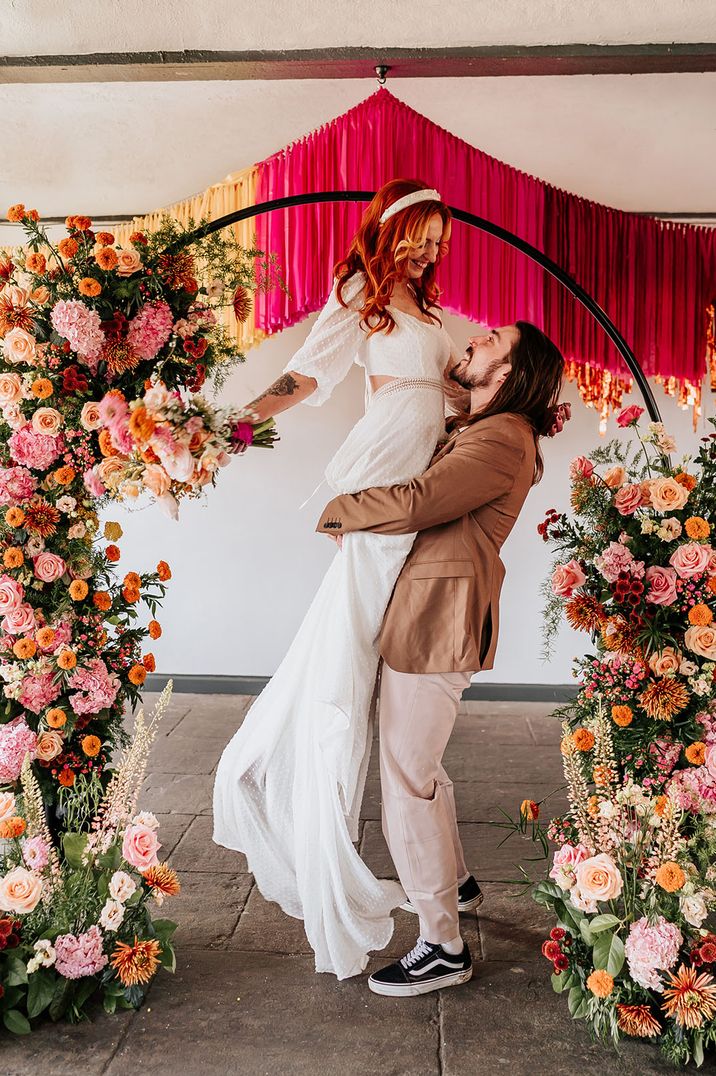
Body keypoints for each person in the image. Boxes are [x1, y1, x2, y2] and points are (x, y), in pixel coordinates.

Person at [214, 179, 463, 980]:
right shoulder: (361, 293)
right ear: (389, 230)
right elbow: (308, 376)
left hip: (416, 482)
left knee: (388, 664)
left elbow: (445, 392)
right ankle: (290, 801)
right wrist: (239, 423)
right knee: (354, 662)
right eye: (420, 237)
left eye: (439, 240)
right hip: (381, 477)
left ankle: (439, 862)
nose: (431, 251)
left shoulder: (426, 313)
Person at [315, 321, 566, 996]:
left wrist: (338, 510)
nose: (474, 339)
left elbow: (424, 501)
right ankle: (456, 882)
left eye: (491, 341)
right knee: (418, 766)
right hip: (432, 613)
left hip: (439, 618)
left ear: (511, 374)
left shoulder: (502, 436)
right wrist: (457, 378)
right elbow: (444, 395)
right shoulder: (486, 425)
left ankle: (442, 944)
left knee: (407, 780)